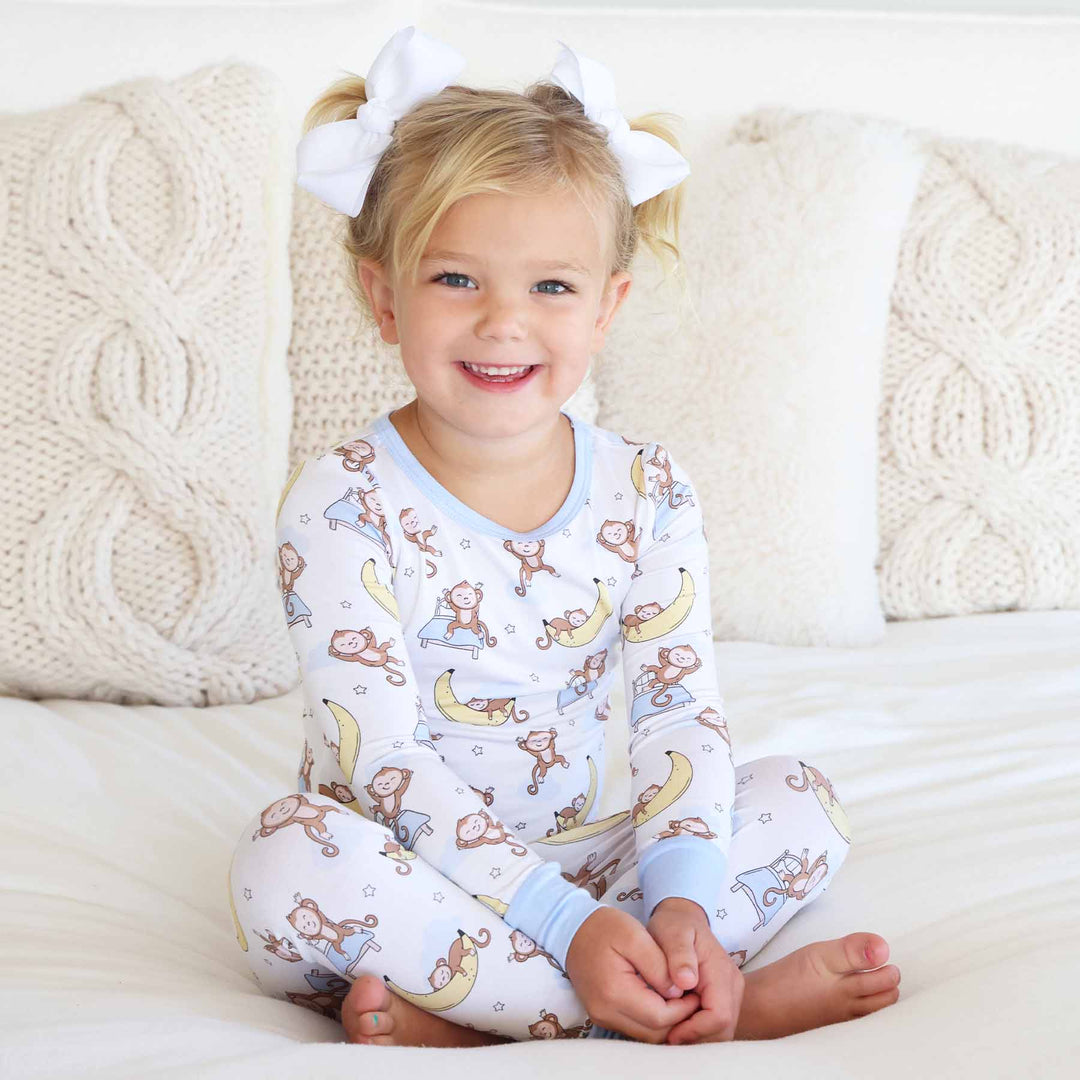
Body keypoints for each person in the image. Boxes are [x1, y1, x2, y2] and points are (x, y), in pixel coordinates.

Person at [226, 24, 900, 1048]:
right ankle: (701, 1005)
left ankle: (524, 1006)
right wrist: (562, 925)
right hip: (423, 876)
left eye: (550, 286)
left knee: (803, 797)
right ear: (382, 297)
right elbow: (384, 759)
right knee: (284, 858)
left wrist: (673, 900)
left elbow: (679, 719)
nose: (504, 321)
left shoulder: (648, 489)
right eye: (457, 280)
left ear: (606, 307)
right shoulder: (340, 504)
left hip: (600, 862)